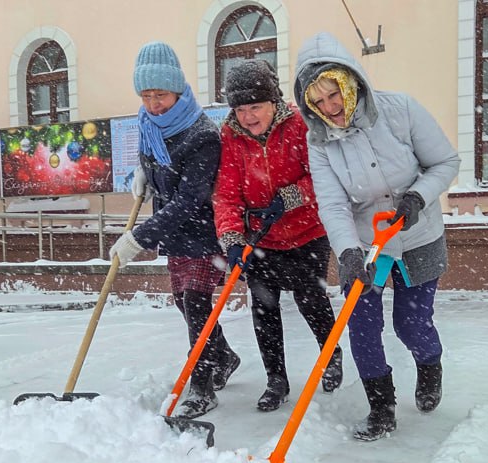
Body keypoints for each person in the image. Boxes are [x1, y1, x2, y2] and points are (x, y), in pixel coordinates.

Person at [293, 33, 461, 441]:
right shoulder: (319, 143)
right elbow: (332, 205)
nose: (331, 109)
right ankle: (381, 408)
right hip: (368, 244)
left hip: (417, 232)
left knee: (411, 323)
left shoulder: (399, 109)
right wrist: (349, 253)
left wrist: (417, 197)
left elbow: (445, 161)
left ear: (349, 81)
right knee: (362, 326)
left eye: (334, 95)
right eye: (319, 102)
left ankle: (429, 364)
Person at [109, 41, 241, 419]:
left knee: (197, 305)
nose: (154, 104)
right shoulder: (149, 124)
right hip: (175, 233)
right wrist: (144, 174)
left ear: (178, 90)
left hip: (204, 232)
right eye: (146, 95)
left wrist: (139, 238)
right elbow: (152, 160)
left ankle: (200, 385)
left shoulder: (201, 135)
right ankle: (225, 356)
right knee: (184, 302)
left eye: (161, 95)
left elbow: (191, 200)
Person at [212, 59, 343, 412]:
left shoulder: (300, 125)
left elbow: (323, 175)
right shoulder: (230, 137)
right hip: (262, 239)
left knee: (311, 300)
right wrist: (232, 238)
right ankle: (276, 380)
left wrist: (290, 196)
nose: (248, 116)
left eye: (255, 106)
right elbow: (225, 193)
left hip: (307, 232)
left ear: (274, 102)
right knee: (264, 308)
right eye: (240, 109)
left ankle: (331, 355)